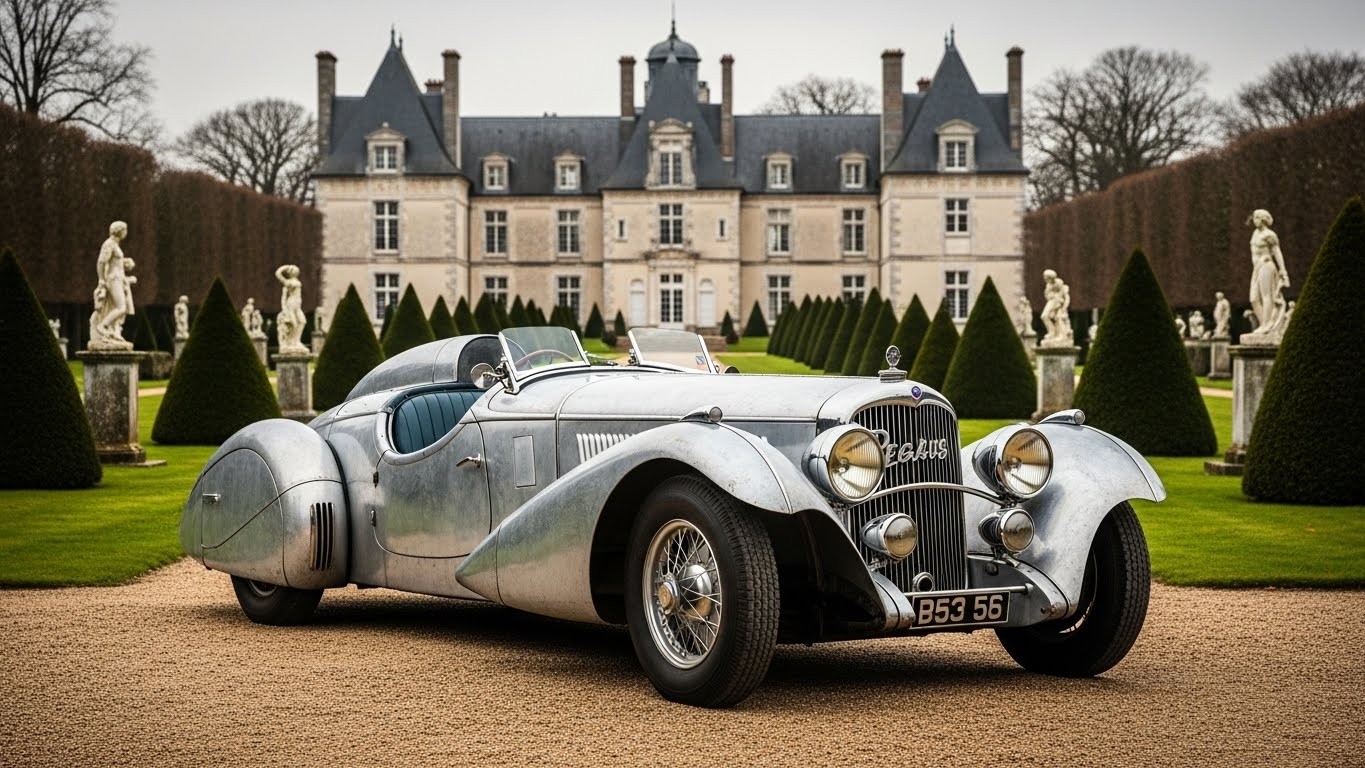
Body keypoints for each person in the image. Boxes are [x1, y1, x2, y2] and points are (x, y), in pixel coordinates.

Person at [88, 221, 136, 349]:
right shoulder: (109, 244)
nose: (126, 233)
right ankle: (103, 325)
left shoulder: (115, 244)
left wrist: (125, 263)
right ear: (120, 231)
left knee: (116, 306)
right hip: (113, 279)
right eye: (125, 230)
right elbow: (101, 262)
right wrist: (101, 280)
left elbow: (113, 262)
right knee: (121, 307)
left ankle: (113, 331)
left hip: (119, 279)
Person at [1246, 209, 1290, 340]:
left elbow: (1277, 253)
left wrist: (1283, 271)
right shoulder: (1255, 233)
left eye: (1257, 218)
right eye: (1254, 218)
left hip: (1267, 265)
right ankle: (1264, 323)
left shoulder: (1269, 235)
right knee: (1253, 298)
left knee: (1266, 296)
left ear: (1263, 219)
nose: (1254, 220)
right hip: (1257, 268)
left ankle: (1267, 324)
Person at [275, 264, 308, 353]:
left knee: (302, 321)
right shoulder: (288, 282)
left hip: (297, 305)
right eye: (293, 269)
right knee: (294, 324)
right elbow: (278, 274)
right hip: (291, 304)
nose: (296, 270)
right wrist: (285, 267)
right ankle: (291, 343)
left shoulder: (295, 281)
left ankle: (297, 341)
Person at [1040, 269, 1073, 346]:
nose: (1044, 279)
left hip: (1058, 303)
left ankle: (1060, 335)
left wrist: (1064, 307)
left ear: (1050, 277)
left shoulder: (1059, 283)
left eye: (1046, 277)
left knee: (1059, 318)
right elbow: (1047, 295)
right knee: (1044, 316)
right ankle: (1052, 332)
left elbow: (1066, 296)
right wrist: (1050, 296)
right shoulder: (1048, 285)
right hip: (1052, 302)